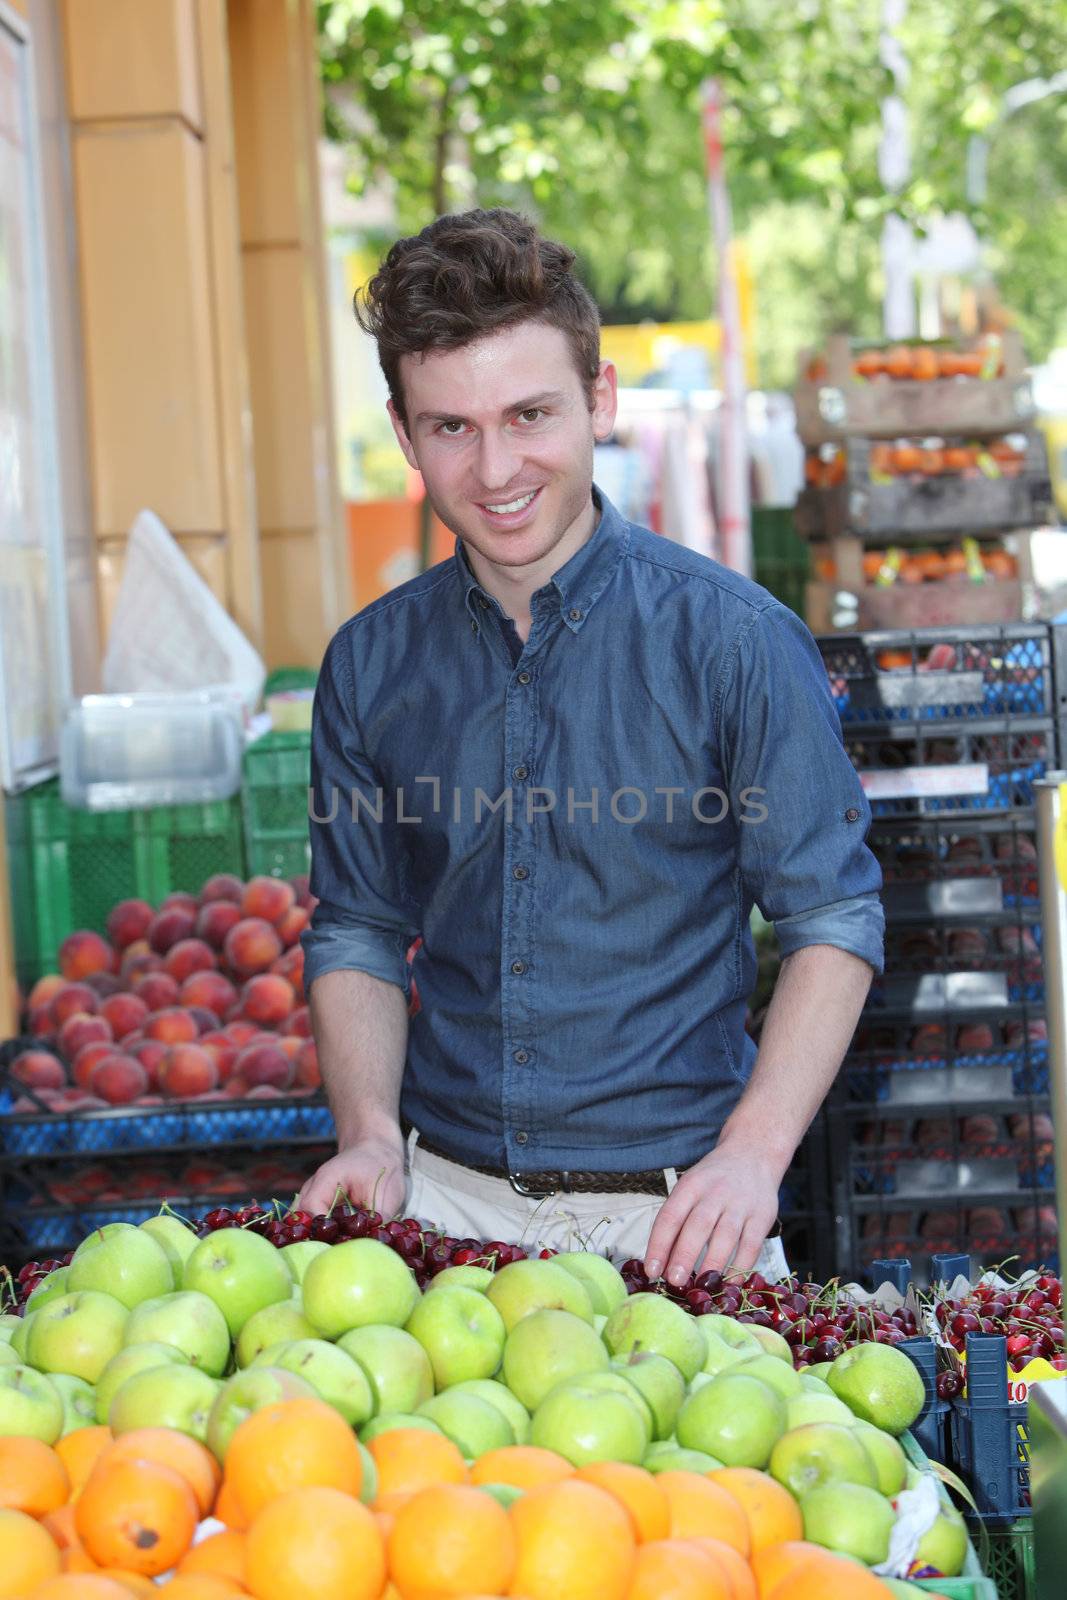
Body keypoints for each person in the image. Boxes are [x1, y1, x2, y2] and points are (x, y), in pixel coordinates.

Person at [297, 208, 883, 1286]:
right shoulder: (368, 666)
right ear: (403, 431)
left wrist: (753, 1158)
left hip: (681, 1217)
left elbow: (832, 919)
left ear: (598, 399)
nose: (495, 467)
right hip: (440, 1216)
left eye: (529, 414)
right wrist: (370, 1135)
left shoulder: (736, 641)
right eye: (451, 427)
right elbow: (358, 929)